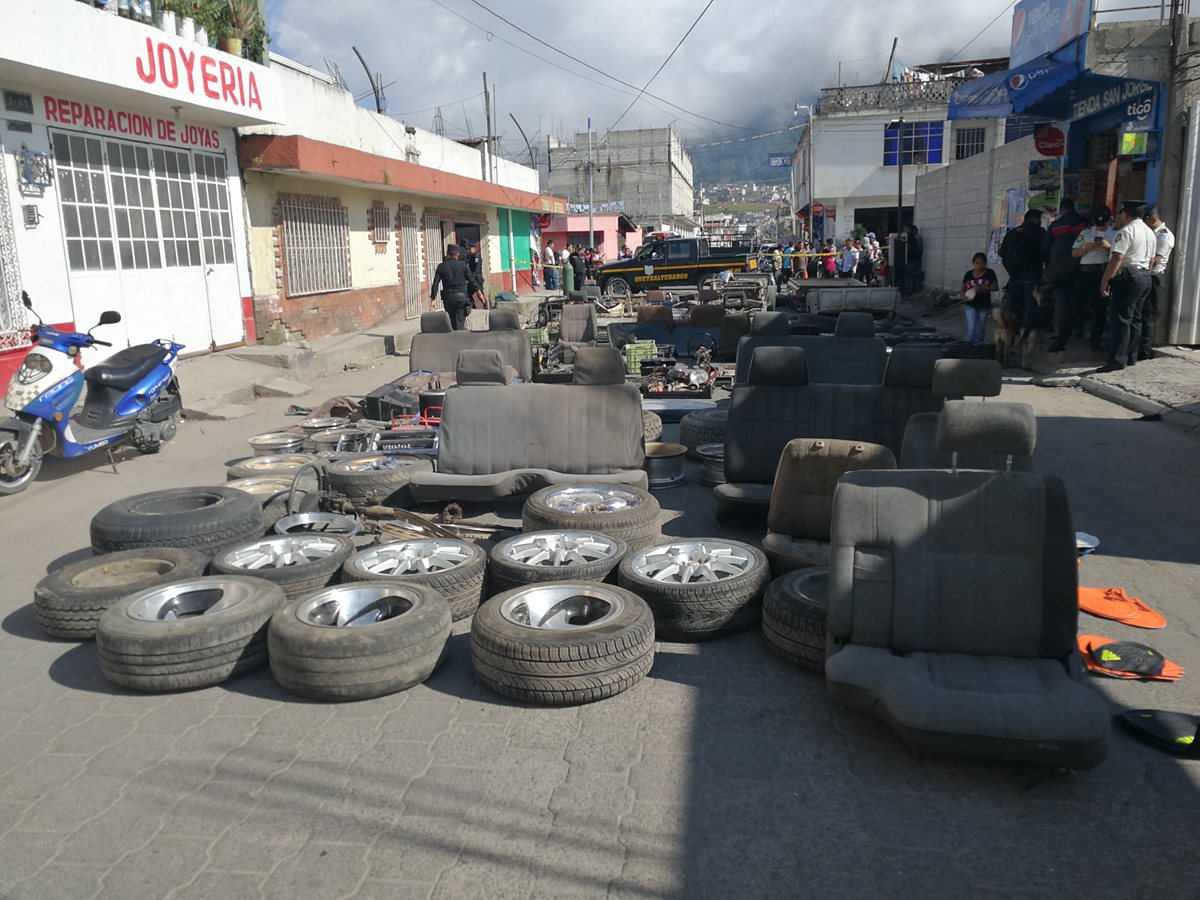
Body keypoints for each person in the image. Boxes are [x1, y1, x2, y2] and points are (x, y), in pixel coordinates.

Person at [1097, 201, 1155, 373]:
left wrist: (1105, 280)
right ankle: (1131, 357)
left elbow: (1117, 258)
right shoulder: (1149, 232)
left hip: (1129, 277)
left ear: (1126, 214)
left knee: (1121, 320)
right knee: (1136, 319)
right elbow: (1151, 259)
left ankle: (1116, 360)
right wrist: (1145, 275)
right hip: (1144, 276)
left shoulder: (1126, 231)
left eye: (1121, 213)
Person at [1060, 206, 1115, 353]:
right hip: (1084, 273)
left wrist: (1108, 247)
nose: (1101, 223)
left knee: (1100, 310)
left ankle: (1095, 343)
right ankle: (1061, 341)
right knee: (1074, 308)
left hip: (1102, 273)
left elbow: (1119, 255)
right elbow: (1074, 253)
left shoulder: (1115, 234)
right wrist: (1087, 248)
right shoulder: (1086, 233)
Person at [999, 210, 1047, 329]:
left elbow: (1002, 252)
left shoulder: (1012, 233)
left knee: (1015, 302)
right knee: (1031, 303)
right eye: (1039, 219)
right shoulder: (1039, 232)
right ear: (1034, 219)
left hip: (1014, 274)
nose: (1040, 222)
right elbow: (1045, 251)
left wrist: (1011, 269)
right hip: (1031, 274)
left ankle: (1013, 330)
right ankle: (1027, 332)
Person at [1141, 204, 1175, 361]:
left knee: (1148, 316)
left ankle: (1144, 352)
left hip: (1154, 278)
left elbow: (1155, 260)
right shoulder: (1151, 233)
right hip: (1145, 276)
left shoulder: (1164, 236)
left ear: (1152, 219)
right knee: (1140, 315)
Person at [429, 244, 480, 331]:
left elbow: (435, 283)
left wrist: (433, 298)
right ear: (457, 254)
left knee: (451, 321)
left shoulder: (441, 266)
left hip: (448, 299)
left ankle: (453, 337)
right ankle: (459, 339)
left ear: (447, 254)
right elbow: (472, 280)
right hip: (461, 298)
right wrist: (479, 292)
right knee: (460, 321)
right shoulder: (463, 266)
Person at [961, 252, 999, 345]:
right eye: (977, 263)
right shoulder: (968, 274)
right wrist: (963, 296)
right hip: (970, 305)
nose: (979, 266)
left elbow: (995, 287)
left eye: (981, 263)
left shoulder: (990, 273)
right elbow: (962, 289)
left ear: (985, 263)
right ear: (973, 264)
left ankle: (978, 346)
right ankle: (968, 347)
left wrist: (983, 287)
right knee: (972, 328)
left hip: (984, 305)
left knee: (980, 329)